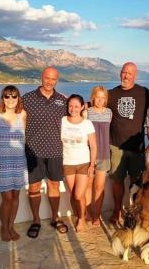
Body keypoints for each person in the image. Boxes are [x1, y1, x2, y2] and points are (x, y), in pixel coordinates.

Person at [22, 66, 68, 238]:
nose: (50, 82)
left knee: (54, 186)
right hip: (33, 151)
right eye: (47, 78)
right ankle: (36, 220)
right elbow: (13, 115)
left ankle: (55, 218)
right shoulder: (27, 99)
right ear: (41, 77)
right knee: (34, 187)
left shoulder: (62, 100)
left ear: (57, 80)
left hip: (56, 150)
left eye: (53, 79)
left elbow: (78, 112)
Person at [107, 62, 149, 224]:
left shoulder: (144, 93)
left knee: (136, 183)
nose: (126, 76)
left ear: (135, 76)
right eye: (124, 72)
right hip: (116, 146)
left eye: (130, 73)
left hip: (136, 149)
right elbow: (95, 104)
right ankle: (117, 211)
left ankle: (135, 214)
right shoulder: (111, 94)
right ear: (120, 73)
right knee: (117, 181)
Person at [0, 85, 27, 242]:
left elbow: (24, 137)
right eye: (7, 96)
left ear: (18, 98)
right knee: (7, 198)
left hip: (18, 161)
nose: (10, 99)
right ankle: (4, 227)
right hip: (2, 161)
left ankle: (11, 226)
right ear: (2, 98)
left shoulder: (22, 114)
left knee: (16, 197)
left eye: (14, 96)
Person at [62, 94, 97, 232]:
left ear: (82, 107)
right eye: (70, 105)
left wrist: (92, 165)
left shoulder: (87, 123)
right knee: (72, 195)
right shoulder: (63, 120)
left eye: (76, 106)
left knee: (78, 195)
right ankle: (79, 214)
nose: (73, 109)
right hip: (67, 162)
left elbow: (93, 146)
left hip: (83, 162)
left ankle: (81, 219)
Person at [84, 86, 112, 225]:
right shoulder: (86, 112)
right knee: (88, 185)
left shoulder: (109, 113)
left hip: (104, 155)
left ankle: (97, 214)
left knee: (99, 187)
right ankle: (88, 212)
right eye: (97, 97)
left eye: (103, 98)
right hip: (89, 155)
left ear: (106, 99)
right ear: (92, 97)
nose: (100, 100)